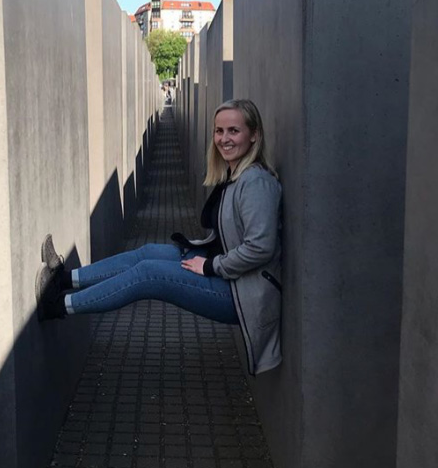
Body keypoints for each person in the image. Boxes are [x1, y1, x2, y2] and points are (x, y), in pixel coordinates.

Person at [36, 99, 283, 375]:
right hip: (230, 275)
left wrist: (211, 265)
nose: (224, 139)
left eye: (233, 131)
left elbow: (260, 248)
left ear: (254, 135)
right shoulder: (236, 174)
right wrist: (205, 256)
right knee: (147, 252)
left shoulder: (256, 182)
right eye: (219, 131)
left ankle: (57, 305)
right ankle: (66, 279)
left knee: (149, 273)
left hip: (243, 294)